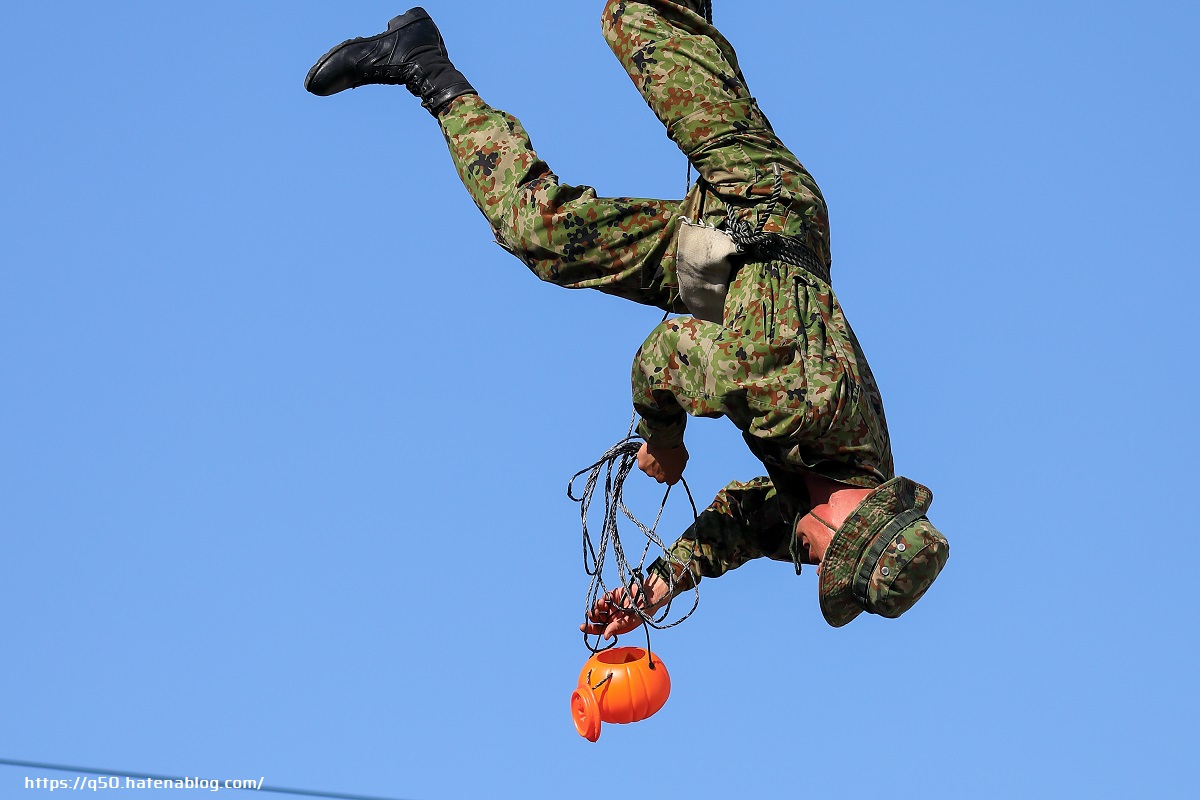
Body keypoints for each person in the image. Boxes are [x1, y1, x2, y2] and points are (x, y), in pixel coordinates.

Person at [304, 1, 950, 632]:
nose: (809, 569)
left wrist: (659, 585)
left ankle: (418, 61)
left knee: (541, 233)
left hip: (720, 268)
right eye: (823, 567)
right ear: (844, 532)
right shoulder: (805, 407)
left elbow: (746, 525)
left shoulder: (828, 491)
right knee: (635, 18)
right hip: (761, 203)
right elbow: (667, 357)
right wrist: (664, 442)